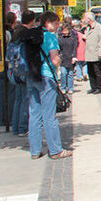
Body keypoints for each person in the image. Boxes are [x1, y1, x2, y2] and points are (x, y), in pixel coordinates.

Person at [22, 11, 71, 159]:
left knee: (34, 114)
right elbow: (55, 60)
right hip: (46, 78)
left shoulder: (30, 35)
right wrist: (60, 61)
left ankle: (35, 151)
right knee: (49, 115)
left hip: (31, 77)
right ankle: (56, 150)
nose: (57, 27)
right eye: (56, 23)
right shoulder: (49, 37)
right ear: (48, 23)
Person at [10, 10, 37, 136]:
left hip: (15, 71)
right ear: (32, 20)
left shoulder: (16, 33)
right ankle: (22, 128)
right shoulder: (27, 34)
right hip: (25, 70)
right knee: (26, 99)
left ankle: (15, 127)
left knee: (18, 99)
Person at [0, 12, 17, 129]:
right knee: (10, 92)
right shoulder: (10, 33)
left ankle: (2, 118)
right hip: (8, 64)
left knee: (1, 92)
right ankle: (9, 118)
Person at [83, 12, 101, 94]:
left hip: (95, 53)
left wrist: (100, 52)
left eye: (85, 18)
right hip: (89, 53)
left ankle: (98, 87)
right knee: (90, 71)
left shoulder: (98, 27)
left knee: (97, 72)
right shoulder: (88, 28)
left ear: (89, 19)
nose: (84, 19)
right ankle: (92, 87)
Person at [57, 21, 78, 93]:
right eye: (63, 31)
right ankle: (63, 87)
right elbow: (58, 47)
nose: (64, 32)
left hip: (70, 57)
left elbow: (75, 47)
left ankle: (70, 88)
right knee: (63, 73)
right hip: (63, 58)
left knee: (70, 74)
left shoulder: (73, 37)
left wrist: (74, 56)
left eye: (66, 31)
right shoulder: (60, 38)